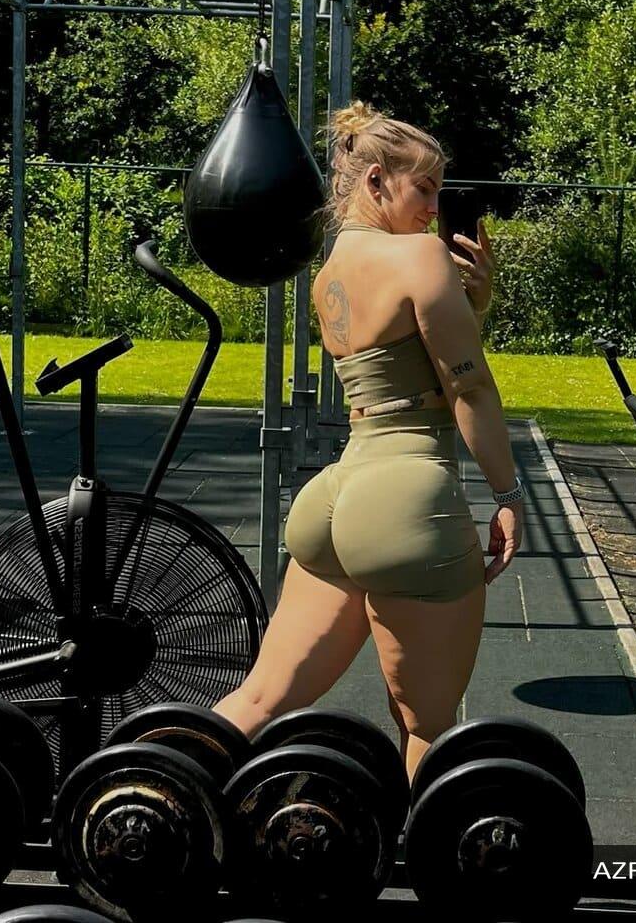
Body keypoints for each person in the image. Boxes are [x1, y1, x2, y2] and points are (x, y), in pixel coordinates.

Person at [213, 100, 527, 784]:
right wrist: (508, 494)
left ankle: (170, 785)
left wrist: (472, 304)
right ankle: (421, 846)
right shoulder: (421, 255)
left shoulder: (328, 274)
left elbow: (401, 370)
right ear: (378, 181)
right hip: (407, 498)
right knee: (427, 727)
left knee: (259, 700)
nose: (435, 209)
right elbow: (468, 389)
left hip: (333, 498)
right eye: (425, 189)